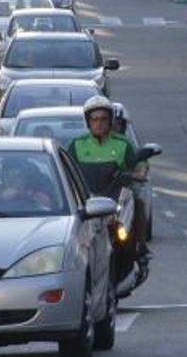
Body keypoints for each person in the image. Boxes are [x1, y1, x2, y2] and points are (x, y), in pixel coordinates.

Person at [67, 96, 150, 259]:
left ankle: (140, 245)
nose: (99, 123)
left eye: (103, 119)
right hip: (86, 200)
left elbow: (138, 163)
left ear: (110, 121)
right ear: (88, 122)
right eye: (95, 119)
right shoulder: (77, 144)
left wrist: (139, 172)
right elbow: (66, 169)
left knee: (138, 200)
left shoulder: (122, 144)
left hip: (116, 199)